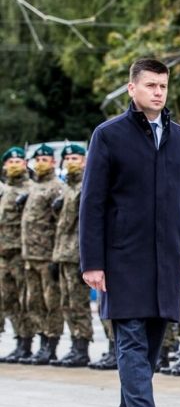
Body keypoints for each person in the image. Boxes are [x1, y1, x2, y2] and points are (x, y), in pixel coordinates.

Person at [80, 58, 180, 407]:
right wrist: (92, 262)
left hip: (166, 263)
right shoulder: (109, 136)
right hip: (122, 261)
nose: (158, 92)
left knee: (149, 351)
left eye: (163, 86)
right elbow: (92, 203)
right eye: (150, 85)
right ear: (132, 89)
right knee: (131, 343)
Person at [19, 144, 64, 365]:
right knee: (33, 301)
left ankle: (51, 344)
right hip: (30, 256)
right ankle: (41, 341)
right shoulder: (34, 187)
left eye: (46, 159)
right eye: (38, 159)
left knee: (51, 302)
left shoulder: (56, 187)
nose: (41, 162)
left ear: (54, 162)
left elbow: (61, 225)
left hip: (47, 256)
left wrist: (56, 256)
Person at [51, 144, 94, 368]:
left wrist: (84, 260)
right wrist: (56, 257)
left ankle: (83, 346)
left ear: (85, 160)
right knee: (67, 303)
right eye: (67, 157)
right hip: (63, 255)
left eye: (75, 157)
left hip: (77, 255)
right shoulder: (68, 187)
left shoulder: (86, 186)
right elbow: (61, 228)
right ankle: (75, 344)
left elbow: (86, 226)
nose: (70, 161)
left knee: (79, 304)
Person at [0, 146, 34, 363]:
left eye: (18, 162)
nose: (14, 165)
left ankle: (27, 343)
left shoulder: (31, 189)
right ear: (4, 165)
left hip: (22, 254)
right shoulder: (3, 190)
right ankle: (18, 339)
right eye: (10, 162)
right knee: (8, 300)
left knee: (26, 300)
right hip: (3, 254)